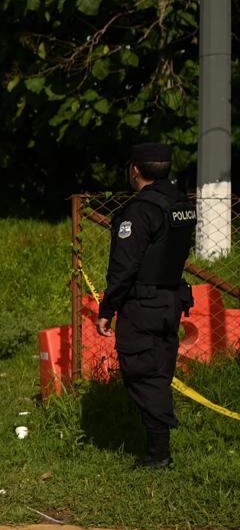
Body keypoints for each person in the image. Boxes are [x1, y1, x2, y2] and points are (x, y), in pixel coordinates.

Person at [96, 143, 196, 469]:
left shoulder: (140, 210)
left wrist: (107, 309)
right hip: (171, 300)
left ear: (135, 170)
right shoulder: (180, 204)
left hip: (144, 304)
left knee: (143, 372)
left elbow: (124, 268)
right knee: (159, 369)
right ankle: (158, 448)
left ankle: (158, 455)